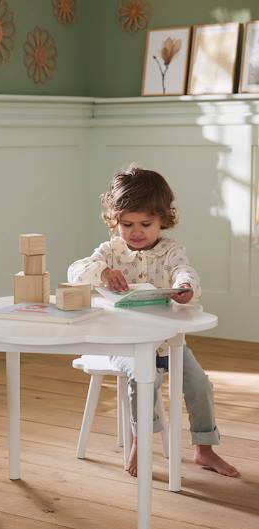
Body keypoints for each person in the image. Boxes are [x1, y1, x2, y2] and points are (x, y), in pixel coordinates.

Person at [68, 165, 239, 478]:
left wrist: (185, 288)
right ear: (114, 221)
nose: (136, 231)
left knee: (200, 384)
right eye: (127, 223)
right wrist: (103, 273)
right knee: (144, 378)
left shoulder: (170, 251)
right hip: (124, 343)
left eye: (146, 223)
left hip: (167, 342)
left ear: (163, 219)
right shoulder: (110, 252)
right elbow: (76, 271)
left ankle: (204, 449)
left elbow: (186, 272)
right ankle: (140, 441)